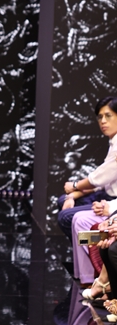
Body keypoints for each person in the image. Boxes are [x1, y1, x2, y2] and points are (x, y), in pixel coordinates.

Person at [58, 97, 117, 240]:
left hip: (113, 202)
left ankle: (98, 244)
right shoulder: (113, 142)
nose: (103, 121)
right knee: (63, 201)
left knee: (67, 218)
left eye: (108, 116)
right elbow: (102, 183)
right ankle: (90, 245)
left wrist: (74, 186)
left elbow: (98, 179)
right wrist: (73, 195)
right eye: (100, 117)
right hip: (107, 196)